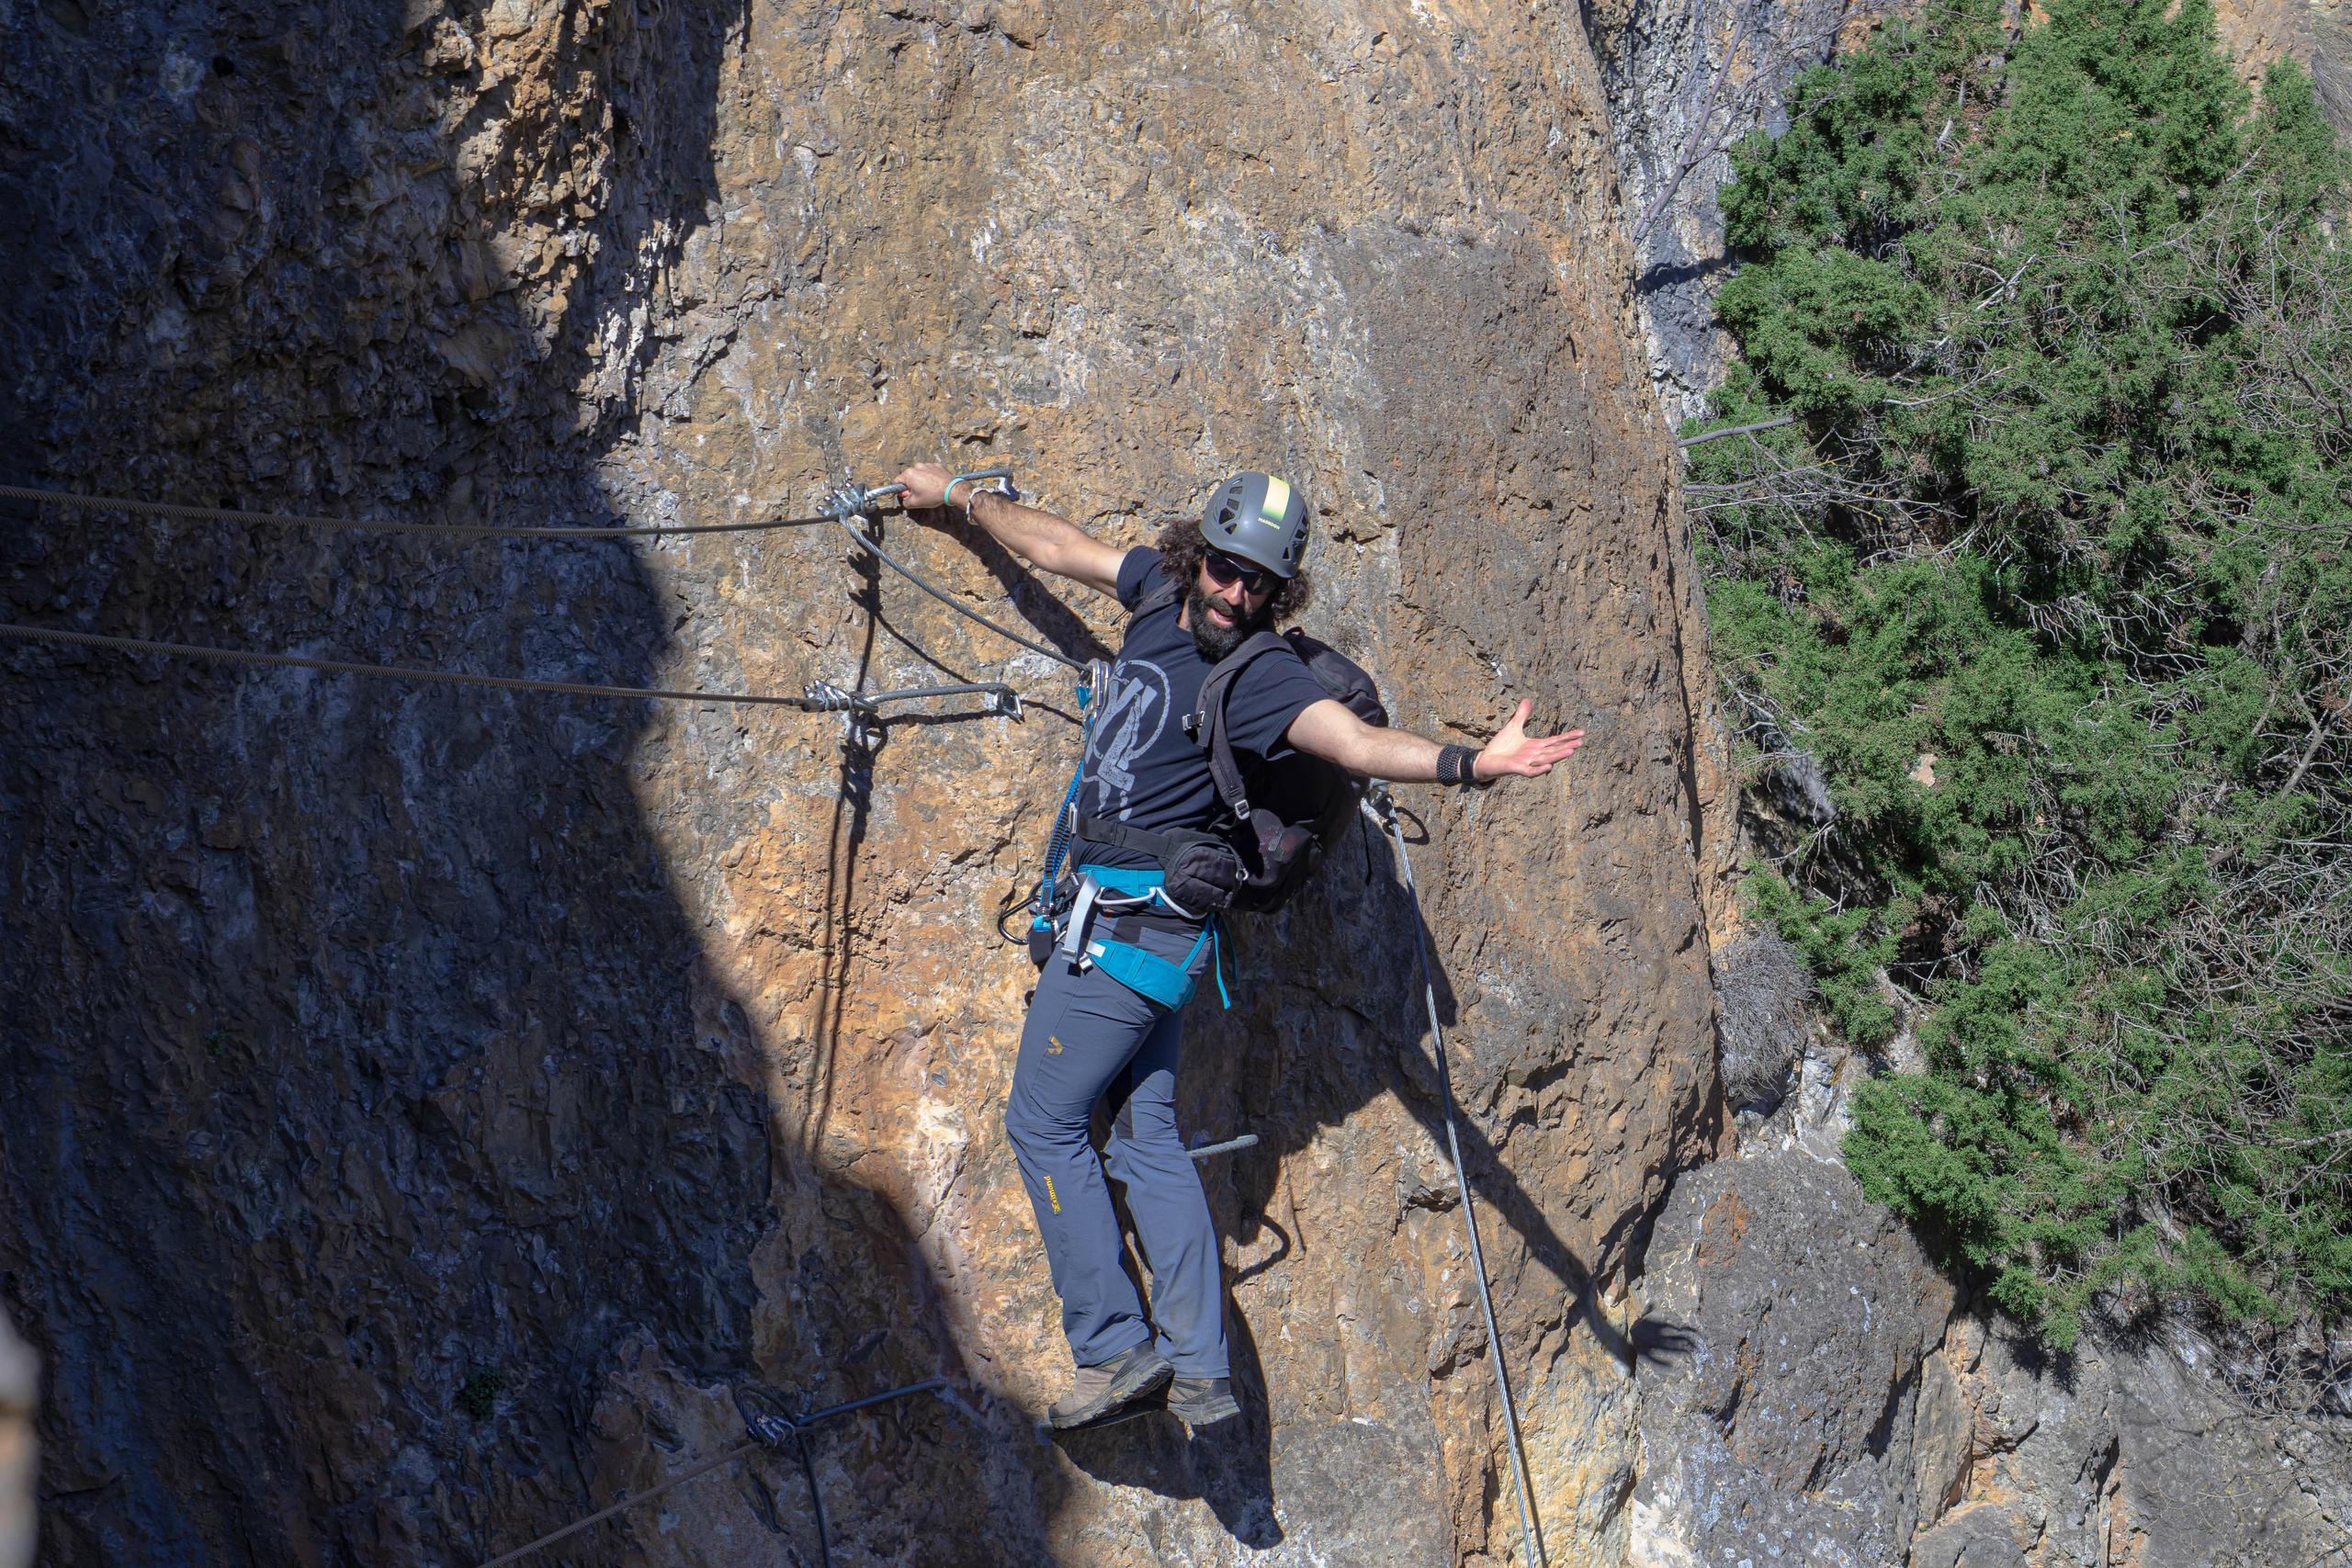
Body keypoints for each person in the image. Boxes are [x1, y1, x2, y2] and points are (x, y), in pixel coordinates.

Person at [889, 462, 1587, 1431]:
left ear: (1279, 592)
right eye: (1224, 569)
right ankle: (1201, 1369)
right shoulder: (1154, 591)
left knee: (1043, 1124)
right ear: (1197, 554)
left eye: (1260, 583)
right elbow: (1060, 546)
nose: (1235, 594)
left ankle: (1112, 1348)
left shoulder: (1260, 676)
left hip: (1126, 928)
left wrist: (1472, 762)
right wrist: (962, 499)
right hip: (1158, 937)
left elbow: (1352, 745)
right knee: (1144, 1135)